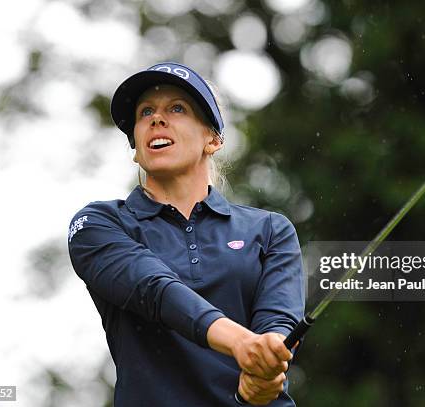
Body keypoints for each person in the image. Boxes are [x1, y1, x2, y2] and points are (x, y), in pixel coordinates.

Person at [67, 62, 305, 407]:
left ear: (214, 139)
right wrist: (242, 344)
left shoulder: (270, 229)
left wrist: (266, 365)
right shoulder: (98, 223)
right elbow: (155, 290)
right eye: (145, 111)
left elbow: (278, 321)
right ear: (135, 146)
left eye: (177, 108)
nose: (156, 119)